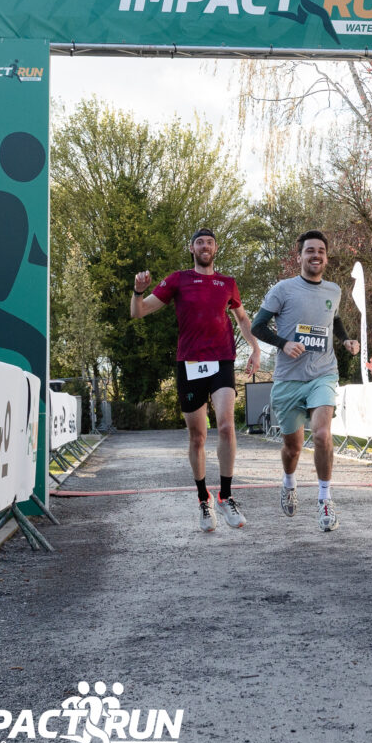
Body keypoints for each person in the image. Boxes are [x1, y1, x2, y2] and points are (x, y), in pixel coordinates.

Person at [131, 228, 260, 532]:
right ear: (191, 248)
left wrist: (255, 348)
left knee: (226, 426)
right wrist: (137, 291)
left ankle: (225, 496)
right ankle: (204, 499)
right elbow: (139, 312)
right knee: (198, 437)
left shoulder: (227, 283)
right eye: (199, 242)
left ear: (215, 248)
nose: (205, 246)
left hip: (222, 361)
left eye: (209, 242)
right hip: (189, 364)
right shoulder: (178, 280)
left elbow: (242, 318)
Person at [251, 230, 359, 532]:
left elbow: (334, 320)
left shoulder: (333, 290)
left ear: (326, 257)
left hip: (323, 373)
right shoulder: (283, 289)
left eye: (321, 251)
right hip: (288, 378)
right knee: (293, 448)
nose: (316, 255)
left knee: (322, 434)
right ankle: (289, 482)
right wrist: (284, 343)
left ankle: (325, 499)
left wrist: (345, 340)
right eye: (310, 250)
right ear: (299, 256)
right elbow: (258, 326)